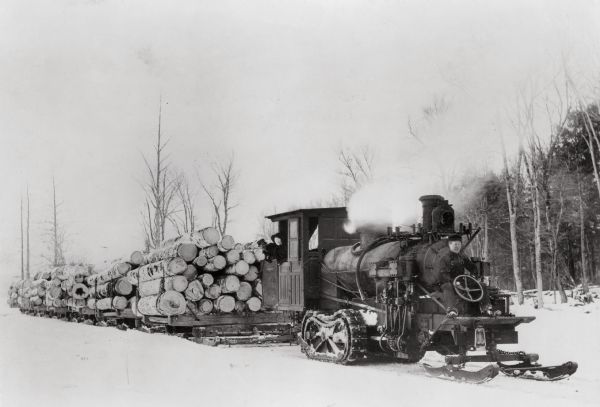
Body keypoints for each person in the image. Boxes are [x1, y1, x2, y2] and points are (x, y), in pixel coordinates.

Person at [439, 234, 477, 317]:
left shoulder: (462, 257)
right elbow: (443, 274)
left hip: (461, 281)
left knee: (480, 285)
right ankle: (451, 310)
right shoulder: (445, 258)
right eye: (455, 244)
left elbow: (472, 267)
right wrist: (453, 282)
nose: (457, 246)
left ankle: (481, 307)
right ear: (450, 245)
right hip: (447, 282)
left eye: (459, 244)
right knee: (447, 287)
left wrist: (474, 274)